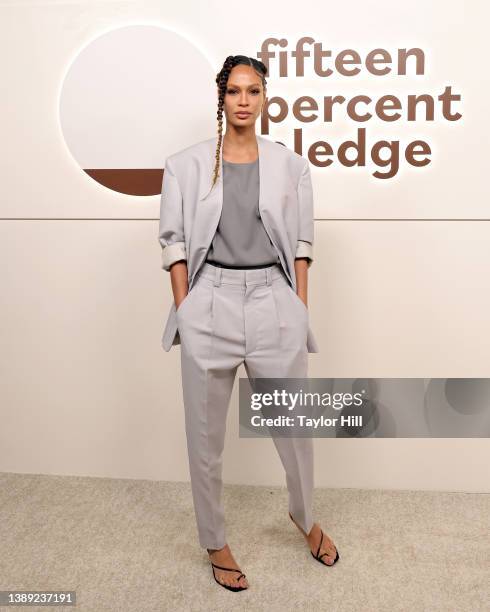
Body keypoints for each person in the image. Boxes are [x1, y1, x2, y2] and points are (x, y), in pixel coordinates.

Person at [158, 55, 339, 592]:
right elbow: (173, 242)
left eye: (252, 91)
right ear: (222, 97)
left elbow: (302, 246)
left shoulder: (291, 165)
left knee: (294, 428)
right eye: (234, 90)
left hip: (272, 299)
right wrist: (187, 308)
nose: (243, 100)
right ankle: (215, 540)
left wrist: (298, 305)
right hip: (209, 299)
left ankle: (304, 517)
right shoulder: (185, 165)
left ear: (264, 98)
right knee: (205, 434)